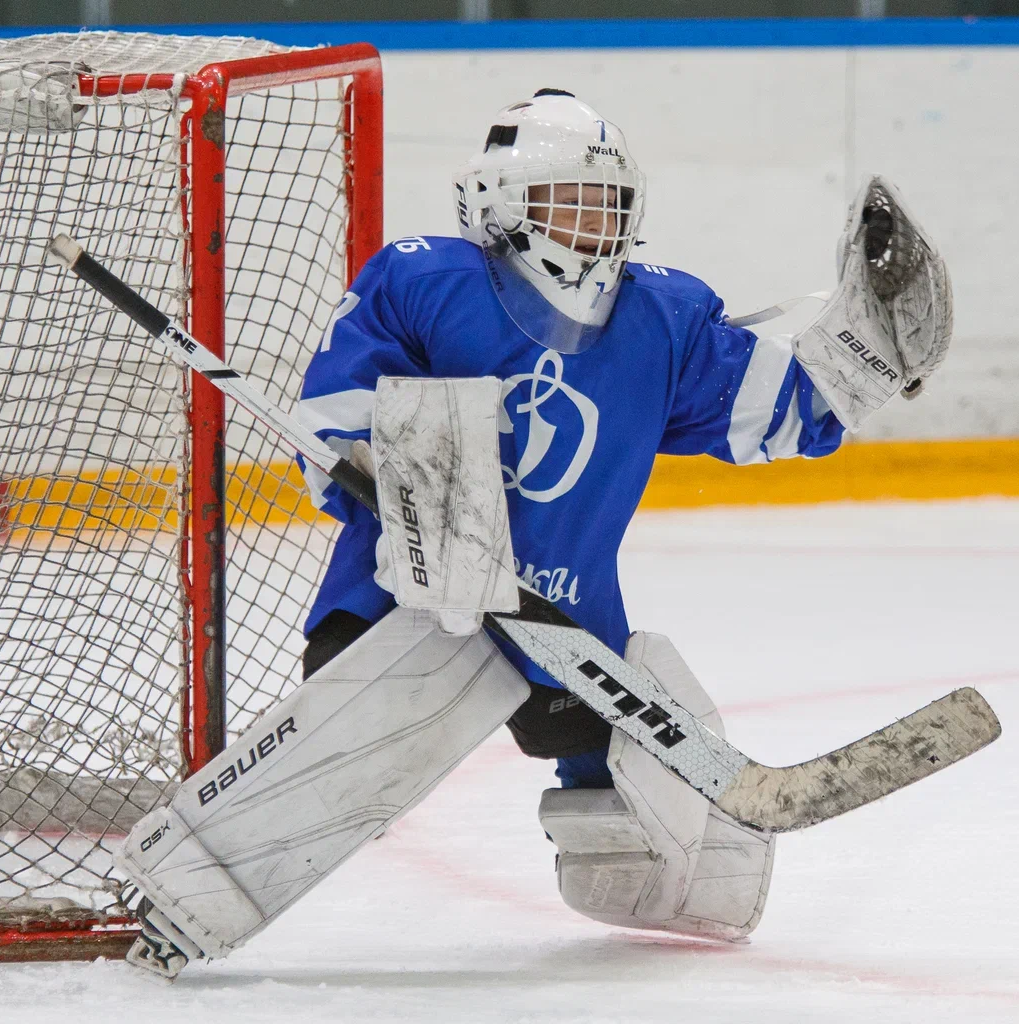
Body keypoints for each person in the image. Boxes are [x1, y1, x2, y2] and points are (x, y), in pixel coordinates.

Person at [293, 88, 951, 940]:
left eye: (609, 202)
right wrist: (378, 467)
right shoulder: (425, 281)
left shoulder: (663, 317)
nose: (593, 221)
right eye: (568, 198)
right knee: (327, 771)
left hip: (568, 622)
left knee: (630, 808)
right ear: (496, 203)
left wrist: (870, 358)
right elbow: (337, 417)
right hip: (405, 595)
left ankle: (653, 890)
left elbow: (784, 408)